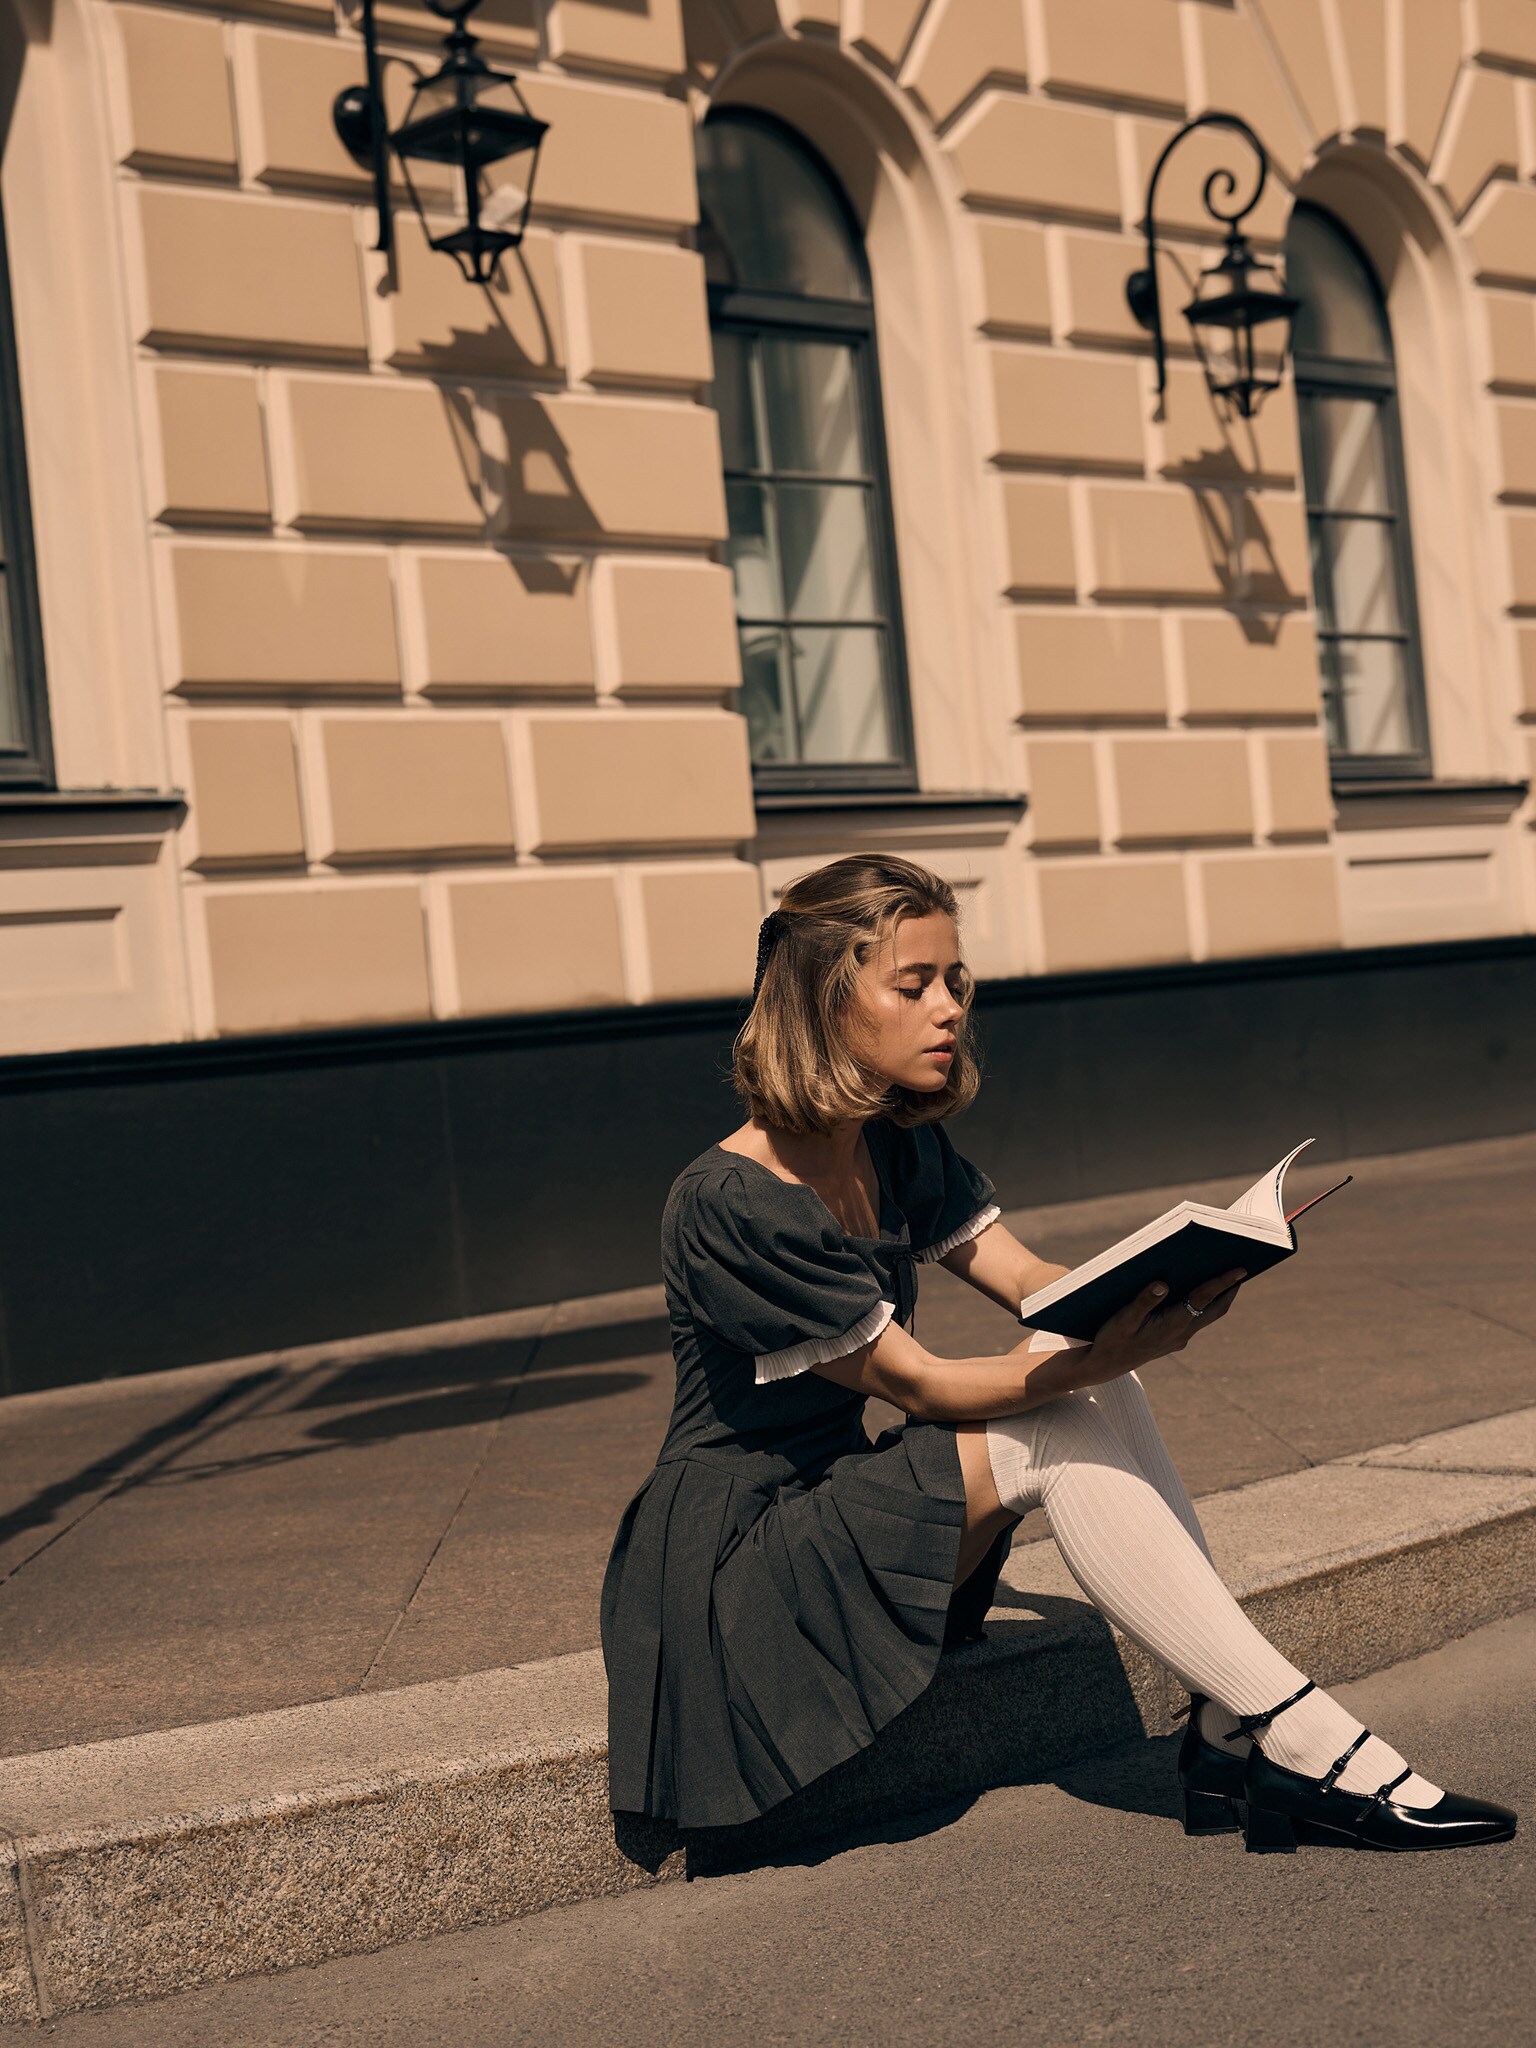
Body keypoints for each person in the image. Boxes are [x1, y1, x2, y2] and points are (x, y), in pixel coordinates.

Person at [600, 853, 1515, 1854]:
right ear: (824, 1005)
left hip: (830, 1498)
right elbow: (922, 1380)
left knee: (1070, 1350)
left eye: (956, 980)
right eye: (913, 985)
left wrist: (1168, 1279)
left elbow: (1032, 1279)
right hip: (738, 1565)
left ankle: (1227, 1725)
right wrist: (1095, 1358)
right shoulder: (730, 1202)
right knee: (1049, 1416)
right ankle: (1298, 1735)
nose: (947, 1007)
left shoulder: (892, 1143)